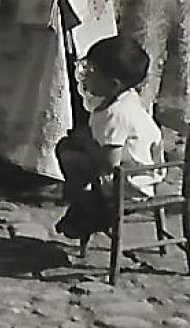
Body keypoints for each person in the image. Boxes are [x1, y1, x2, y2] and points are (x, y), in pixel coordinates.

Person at [53, 35, 167, 243]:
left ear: (113, 84)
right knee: (71, 149)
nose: (86, 76)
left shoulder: (116, 114)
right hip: (144, 173)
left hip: (128, 185)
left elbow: (109, 162)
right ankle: (83, 208)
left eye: (92, 72)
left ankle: (92, 210)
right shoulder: (128, 98)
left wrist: (87, 144)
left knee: (68, 154)